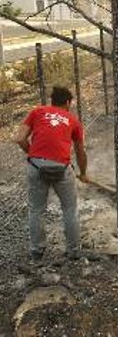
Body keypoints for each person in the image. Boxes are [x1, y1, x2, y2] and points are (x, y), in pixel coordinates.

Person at [13, 86, 89, 261]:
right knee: (70, 209)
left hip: (36, 166)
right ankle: (74, 251)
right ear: (68, 102)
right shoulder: (73, 120)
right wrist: (83, 173)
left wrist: (34, 155)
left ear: (52, 100)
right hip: (61, 168)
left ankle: (36, 251)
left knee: (36, 210)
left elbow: (19, 138)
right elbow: (80, 151)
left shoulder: (37, 111)